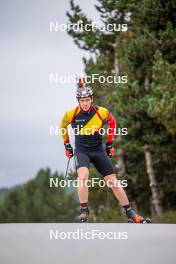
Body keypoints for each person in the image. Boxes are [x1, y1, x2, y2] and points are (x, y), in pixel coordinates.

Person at [60, 83, 151, 223]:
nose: (85, 103)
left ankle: (131, 214)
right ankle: (84, 211)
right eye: (82, 101)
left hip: (97, 151)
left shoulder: (100, 112)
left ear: (92, 99)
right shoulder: (71, 114)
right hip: (82, 151)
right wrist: (67, 145)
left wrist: (110, 143)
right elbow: (62, 126)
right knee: (83, 176)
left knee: (113, 182)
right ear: (78, 101)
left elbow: (113, 123)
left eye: (87, 100)